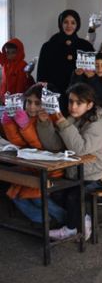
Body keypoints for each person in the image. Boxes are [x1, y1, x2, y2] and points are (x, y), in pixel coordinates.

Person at [37, 83, 102, 240]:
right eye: (70, 101)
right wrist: (44, 123)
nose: (73, 106)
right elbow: (55, 146)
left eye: (79, 103)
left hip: (101, 173)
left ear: (89, 105)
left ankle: (71, 229)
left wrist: (62, 121)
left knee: (74, 195)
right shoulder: (72, 120)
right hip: (78, 173)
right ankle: (83, 218)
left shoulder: (96, 124)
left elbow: (80, 149)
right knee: (56, 192)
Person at [1, 83, 66, 225]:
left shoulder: (50, 119)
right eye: (29, 102)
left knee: (36, 197)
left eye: (37, 103)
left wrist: (25, 126)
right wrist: (8, 123)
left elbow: (40, 146)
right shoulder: (26, 117)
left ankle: (65, 219)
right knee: (15, 194)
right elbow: (19, 142)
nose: (31, 107)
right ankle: (45, 221)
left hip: (52, 170)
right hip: (32, 168)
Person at [36, 9, 95, 99]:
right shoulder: (48, 46)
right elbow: (41, 75)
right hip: (54, 95)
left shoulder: (86, 46)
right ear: (61, 24)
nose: (69, 26)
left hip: (79, 95)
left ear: (77, 25)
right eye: (66, 22)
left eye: (73, 23)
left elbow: (92, 74)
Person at [70, 52, 102, 117]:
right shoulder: (85, 76)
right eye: (96, 65)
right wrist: (77, 76)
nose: (99, 68)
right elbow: (72, 92)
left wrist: (92, 79)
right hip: (82, 112)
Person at [0, 38, 35, 103]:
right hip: (5, 99)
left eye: (13, 52)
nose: (10, 55)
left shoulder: (22, 65)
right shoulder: (6, 62)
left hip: (17, 100)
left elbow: (21, 84)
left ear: (19, 52)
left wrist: (17, 100)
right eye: (8, 52)